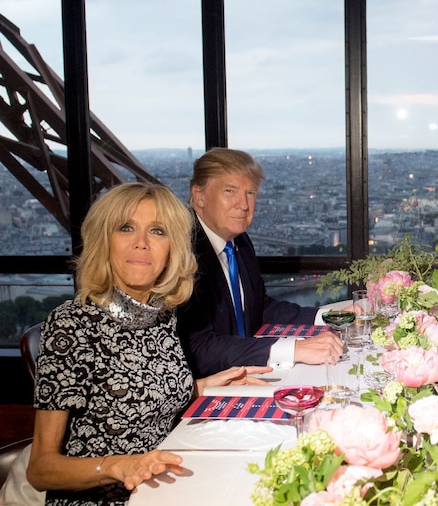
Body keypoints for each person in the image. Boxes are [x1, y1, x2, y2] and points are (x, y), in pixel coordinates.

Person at [26, 183, 272, 505]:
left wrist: (203, 386)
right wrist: (121, 466)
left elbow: (143, 395)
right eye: (126, 228)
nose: (141, 244)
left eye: (157, 231)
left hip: (164, 485)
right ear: (104, 241)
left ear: (173, 248)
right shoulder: (72, 324)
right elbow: (41, 469)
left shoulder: (162, 315)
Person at [176, 148, 343, 378]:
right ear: (199, 196)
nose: (243, 205)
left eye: (250, 193)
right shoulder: (182, 252)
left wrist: (329, 315)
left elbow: (258, 309)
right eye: (229, 191)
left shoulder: (239, 243)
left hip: (246, 371)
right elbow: (200, 349)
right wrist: (295, 349)